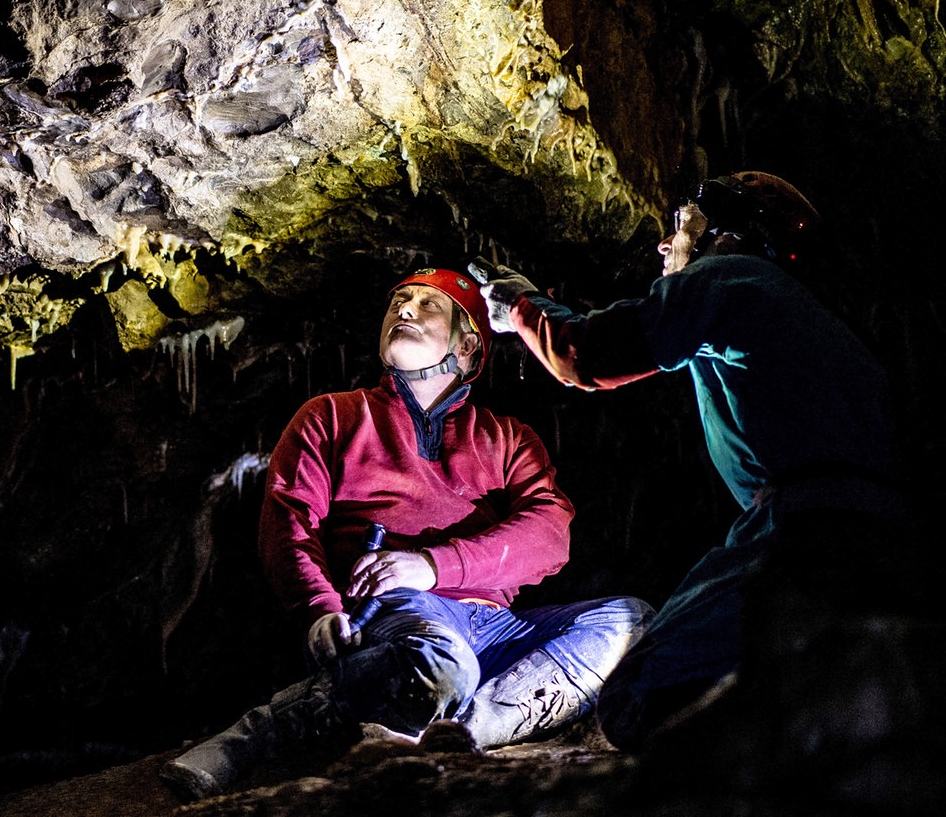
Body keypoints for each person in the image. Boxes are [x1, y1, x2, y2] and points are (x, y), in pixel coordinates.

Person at [469, 171, 921, 764]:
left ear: (726, 235)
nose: (666, 245)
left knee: (637, 695)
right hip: (888, 534)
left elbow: (590, 354)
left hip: (802, 527)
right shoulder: (822, 327)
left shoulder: (732, 277)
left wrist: (521, 309)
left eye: (682, 227)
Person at [159, 267, 652, 803]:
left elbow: (551, 534)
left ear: (468, 346)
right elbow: (288, 522)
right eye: (398, 301)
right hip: (397, 615)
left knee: (633, 621)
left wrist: (433, 565)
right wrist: (319, 606)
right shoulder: (331, 416)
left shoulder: (508, 438)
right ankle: (269, 728)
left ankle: (462, 735)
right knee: (441, 661)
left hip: (497, 625)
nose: (405, 310)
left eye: (427, 304)